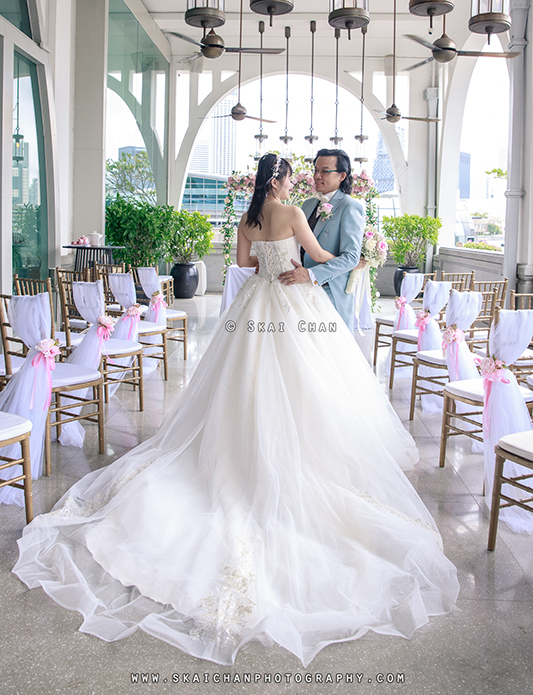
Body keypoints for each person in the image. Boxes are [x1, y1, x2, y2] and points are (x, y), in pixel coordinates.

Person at [13, 153, 459, 668]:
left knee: (240, 381)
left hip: (257, 304)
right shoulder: (295, 211)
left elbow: (245, 264)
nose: (305, 181)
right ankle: (299, 454)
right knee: (308, 383)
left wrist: (278, 261)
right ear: (283, 181)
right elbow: (314, 256)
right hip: (295, 303)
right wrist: (309, 266)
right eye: (297, 174)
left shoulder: (247, 218)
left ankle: (238, 451)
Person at [278, 148, 365, 332]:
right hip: (300, 291)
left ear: (342, 175)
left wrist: (311, 275)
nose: (317, 176)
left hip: (330, 292)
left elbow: (351, 258)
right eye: (315, 170)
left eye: (324, 171)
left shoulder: (350, 207)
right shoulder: (308, 204)